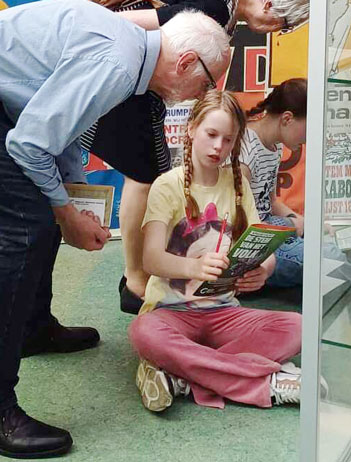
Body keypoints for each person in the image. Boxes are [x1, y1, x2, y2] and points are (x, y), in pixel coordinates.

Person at [0, 0, 230, 458]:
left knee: (40, 212)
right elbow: (30, 144)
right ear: (186, 62)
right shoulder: (118, 63)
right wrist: (67, 215)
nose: (202, 95)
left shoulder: (127, 54)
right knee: (27, 229)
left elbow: (63, 130)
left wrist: (71, 196)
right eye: (207, 82)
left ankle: (32, 329)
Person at [83, 0, 310, 314]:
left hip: (143, 86)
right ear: (270, 5)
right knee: (143, 178)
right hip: (134, 85)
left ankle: (140, 277)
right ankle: (136, 280)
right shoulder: (214, 8)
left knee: (148, 176)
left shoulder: (225, 13)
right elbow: (126, 21)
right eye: (281, 24)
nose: (276, 32)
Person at [128, 90, 305, 412]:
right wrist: (194, 268)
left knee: (298, 327)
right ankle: (267, 384)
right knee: (143, 332)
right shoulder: (167, 185)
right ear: (191, 129)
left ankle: (181, 376)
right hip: (172, 312)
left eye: (228, 140)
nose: (218, 147)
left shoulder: (237, 185)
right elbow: (151, 259)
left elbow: (261, 245)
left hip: (223, 310)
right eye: (211, 134)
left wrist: (264, 270)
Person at [238, 78, 343, 288]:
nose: (309, 139)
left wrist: (306, 223)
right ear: (287, 118)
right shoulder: (245, 150)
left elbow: (271, 202)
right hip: (251, 241)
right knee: (330, 259)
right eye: (309, 129)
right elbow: (237, 222)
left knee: (330, 245)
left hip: (269, 229)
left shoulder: (275, 146)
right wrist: (290, 226)